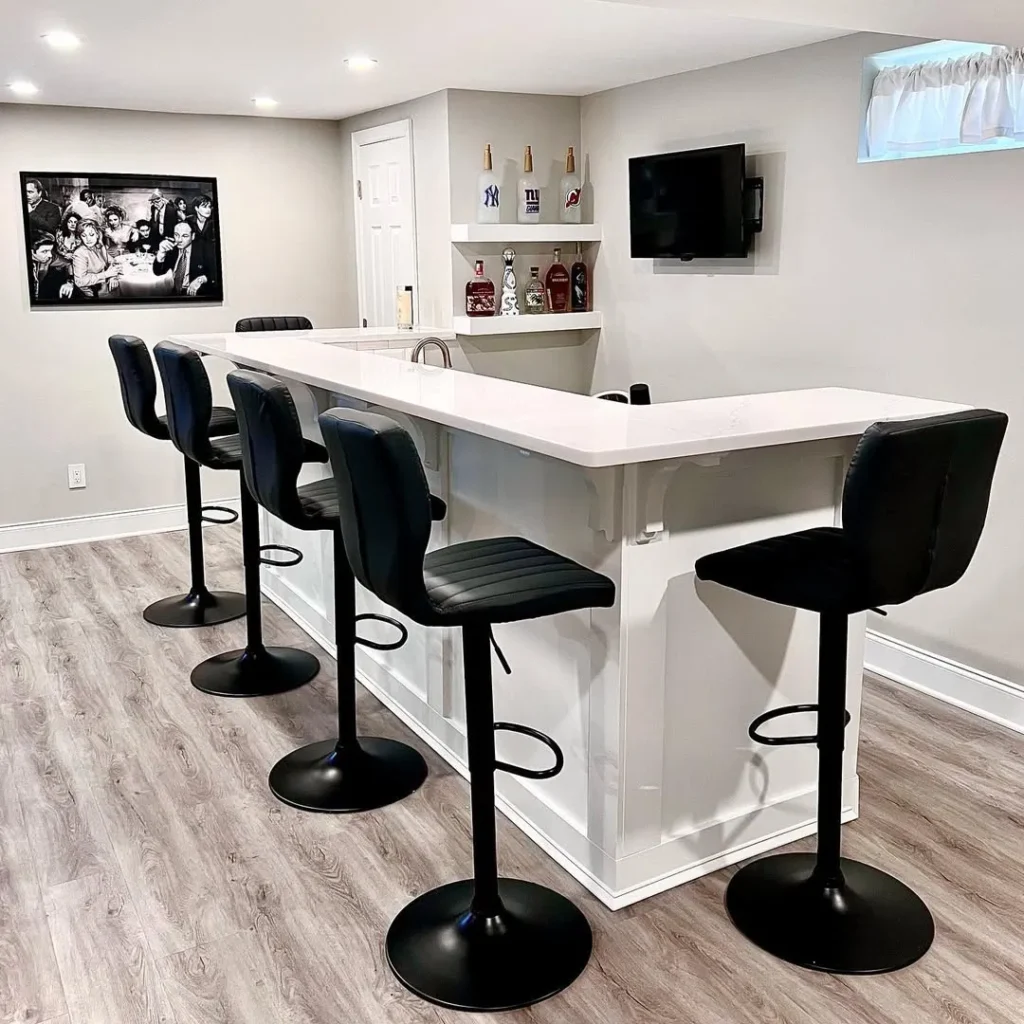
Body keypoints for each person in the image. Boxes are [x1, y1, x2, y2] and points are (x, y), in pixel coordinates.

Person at [153, 221, 215, 296]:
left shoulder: (204, 249)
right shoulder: (172, 248)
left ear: (193, 236)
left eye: (184, 236)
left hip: (192, 294)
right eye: (176, 235)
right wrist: (161, 253)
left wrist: (200, 280)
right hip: (172, 292)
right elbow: (158, 272)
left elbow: (215, 273)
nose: (179, 240)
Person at [71, 219, 122, 298]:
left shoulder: (100, 246)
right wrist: (107, 274)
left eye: (91, 234)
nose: (88, 239)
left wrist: (113, 276)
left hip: (104, 287)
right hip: (91, 294)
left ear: (97, 234)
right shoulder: (79, 254)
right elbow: (80, 281)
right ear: (80, 237)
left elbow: (112, 261)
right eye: (84, 236)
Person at [28, 234, 74, 302]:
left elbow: (67, 264)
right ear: (31, 251)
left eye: (50, 250)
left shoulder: (49, 258)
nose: (50, 255)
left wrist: (70, 282)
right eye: (44, 251)